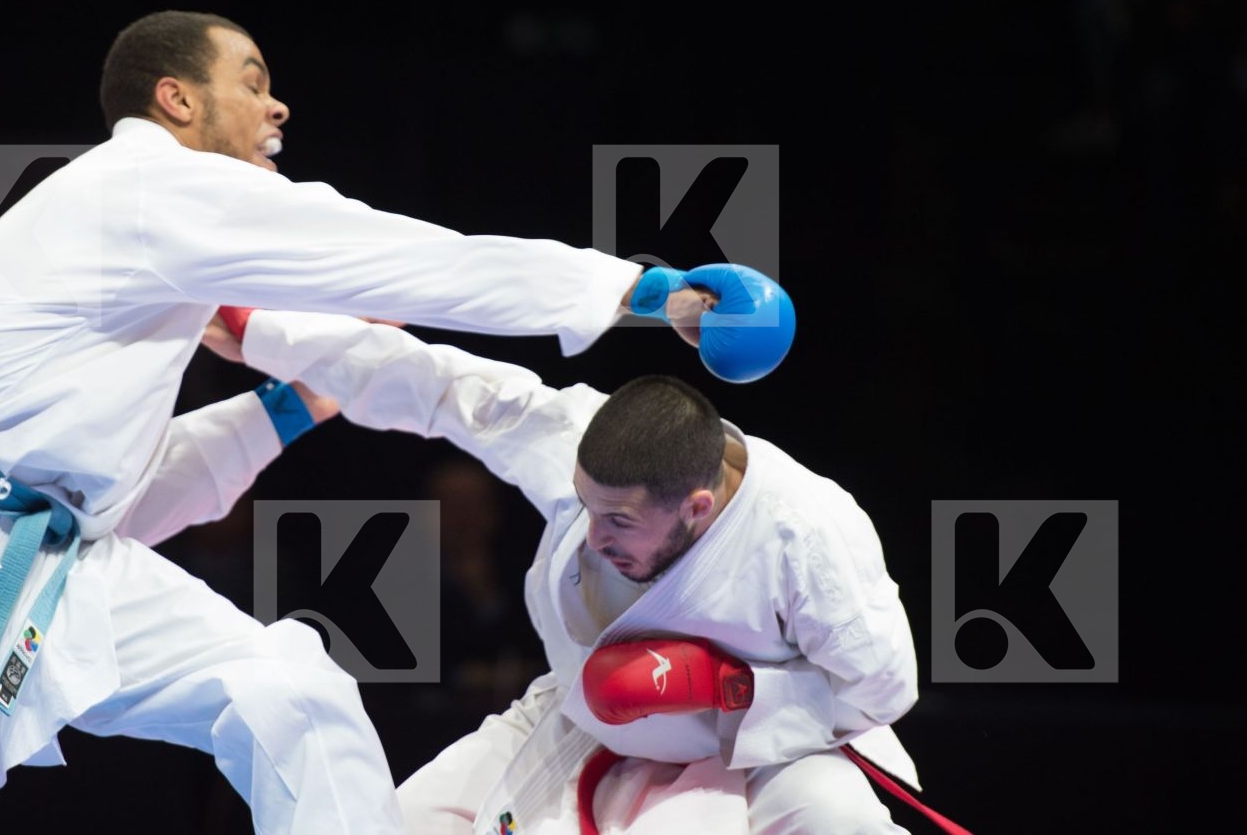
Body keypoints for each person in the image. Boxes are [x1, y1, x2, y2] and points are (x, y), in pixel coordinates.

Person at [0, 10, 765, 834]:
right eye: (251, 82)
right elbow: (412, 255)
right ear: (175, 101)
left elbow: (120, 494)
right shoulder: (150, 192)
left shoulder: (151, 246)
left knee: (289, 688)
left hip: (39, 555)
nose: (277, 107)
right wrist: (637, 291)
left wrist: (289, 405)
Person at [214, 305, 922, 834]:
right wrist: (272, 335)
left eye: (619, 522)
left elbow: (883, 688)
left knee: (844, 824)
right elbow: (446, 386)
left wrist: (732, 688)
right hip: (577, 717)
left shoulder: (806, 531)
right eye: (587, 507)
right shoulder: (571, 441)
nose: (593, 535)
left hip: (756, 754)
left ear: (697, 507)